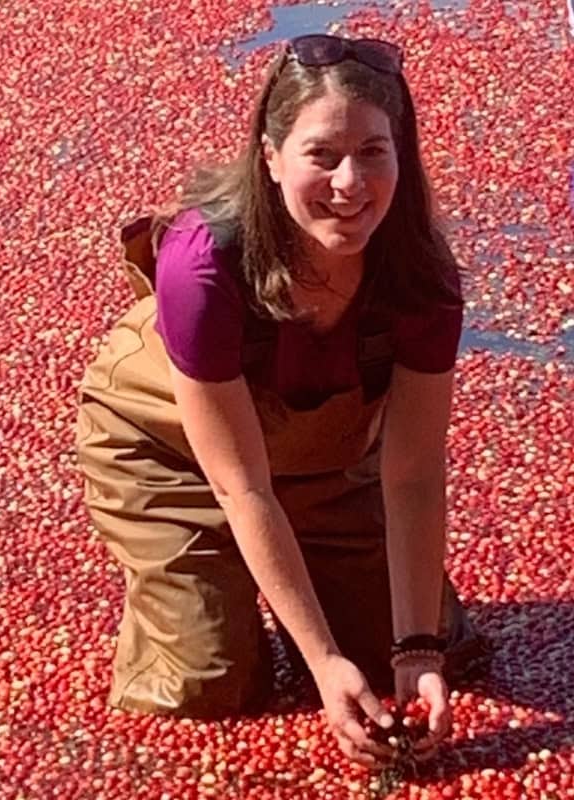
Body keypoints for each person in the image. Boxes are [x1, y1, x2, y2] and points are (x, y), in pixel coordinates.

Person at [75, 34, 491, 767]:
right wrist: (324, 661)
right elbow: (241, 485)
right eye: (322, 154)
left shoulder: (422, 276)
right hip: (169, 458)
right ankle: (193, 583)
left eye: (373, 152)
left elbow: (415, 474)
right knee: (211, 682)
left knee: (425, 651)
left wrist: (416, 648)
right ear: (269, 158)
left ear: (403, 155)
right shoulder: (204, 267)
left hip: (318, 466)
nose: (350, 183)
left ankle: (312, 597)